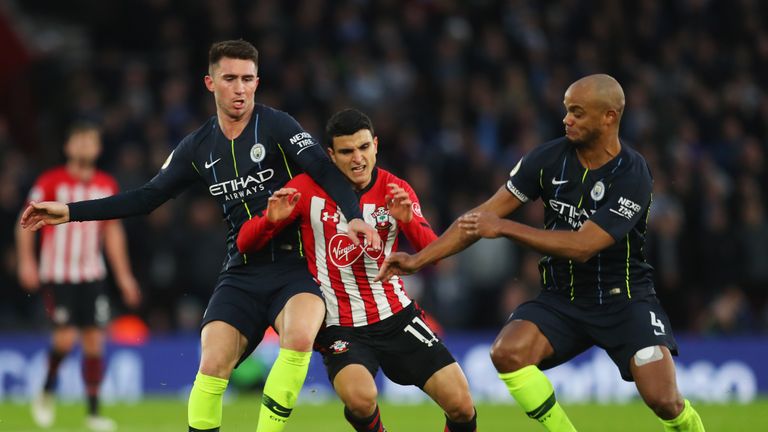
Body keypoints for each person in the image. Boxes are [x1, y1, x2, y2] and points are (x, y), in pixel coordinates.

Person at [20, 40, 380, 432]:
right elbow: (146, 198)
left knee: (296, 339)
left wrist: (355, 215)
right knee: (212, 366)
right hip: (241, 271)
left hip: (296, 266)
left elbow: (325, 172)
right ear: (210, 83)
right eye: (230, 79)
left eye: (247, 79)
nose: (239, 88)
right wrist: (70, 212)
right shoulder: (197, 146)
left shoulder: (278, 125)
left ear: (257, 82)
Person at [376, 74, 705, 432]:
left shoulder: (632, 173)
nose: (567, 120)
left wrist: (505, 228)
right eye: (567, 110)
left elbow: (583, 246)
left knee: (664, 401)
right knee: (506, 353)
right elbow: (482, 216)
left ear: (609, 117)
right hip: (562, 298)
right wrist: (417, 260)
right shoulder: (548, 159)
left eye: (578, 113)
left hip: (624, 299)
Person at [237, 108, 477, 432]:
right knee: (362, 398)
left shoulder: (395, 189)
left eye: (364, 148)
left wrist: (408, 221)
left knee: (462, 406)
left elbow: (436, 254)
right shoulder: (306, 189)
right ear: (330, 155)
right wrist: (269, 220)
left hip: (397, 316)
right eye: (347, 151)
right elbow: (244, 243)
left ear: (376, 145)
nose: (358, 159)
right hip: (340, 327)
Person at [15, 123, 142, 432]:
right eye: (80, 141)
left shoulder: (105, 184)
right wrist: (26, 262)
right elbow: (25, 221)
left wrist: (124, 276)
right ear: (68, 147)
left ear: (98, 148)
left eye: (91, 142)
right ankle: (45, 391)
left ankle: (94, 412)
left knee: (94, 342)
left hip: (92, 273)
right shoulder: (51, 181)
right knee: (64, 338)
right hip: (59, 274)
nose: (85, 147)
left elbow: (112, 231)